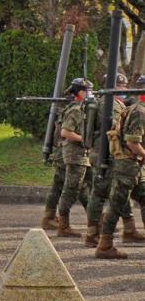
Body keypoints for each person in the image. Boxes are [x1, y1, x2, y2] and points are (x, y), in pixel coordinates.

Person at [84, 73, 145, 246]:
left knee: (119, 195)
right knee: (104, 194)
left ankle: (127, 230)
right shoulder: (110, 104)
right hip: (110, 154)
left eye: (125, 86)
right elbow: (119, 133)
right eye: (120, 85)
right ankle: (95, 234)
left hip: (114, 154)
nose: (124, 89)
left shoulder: (117, 104)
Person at [56, 78, 92, 238]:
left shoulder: (81, 108)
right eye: (88, 90)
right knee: (71, 189)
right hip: (75, 155)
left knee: (85, 190)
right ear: (81, 92)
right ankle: (63, 226)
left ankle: (95, 221)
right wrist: (84, 139)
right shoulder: (76, 110)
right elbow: (65, 132)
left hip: (82, 156)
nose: (90, 94)